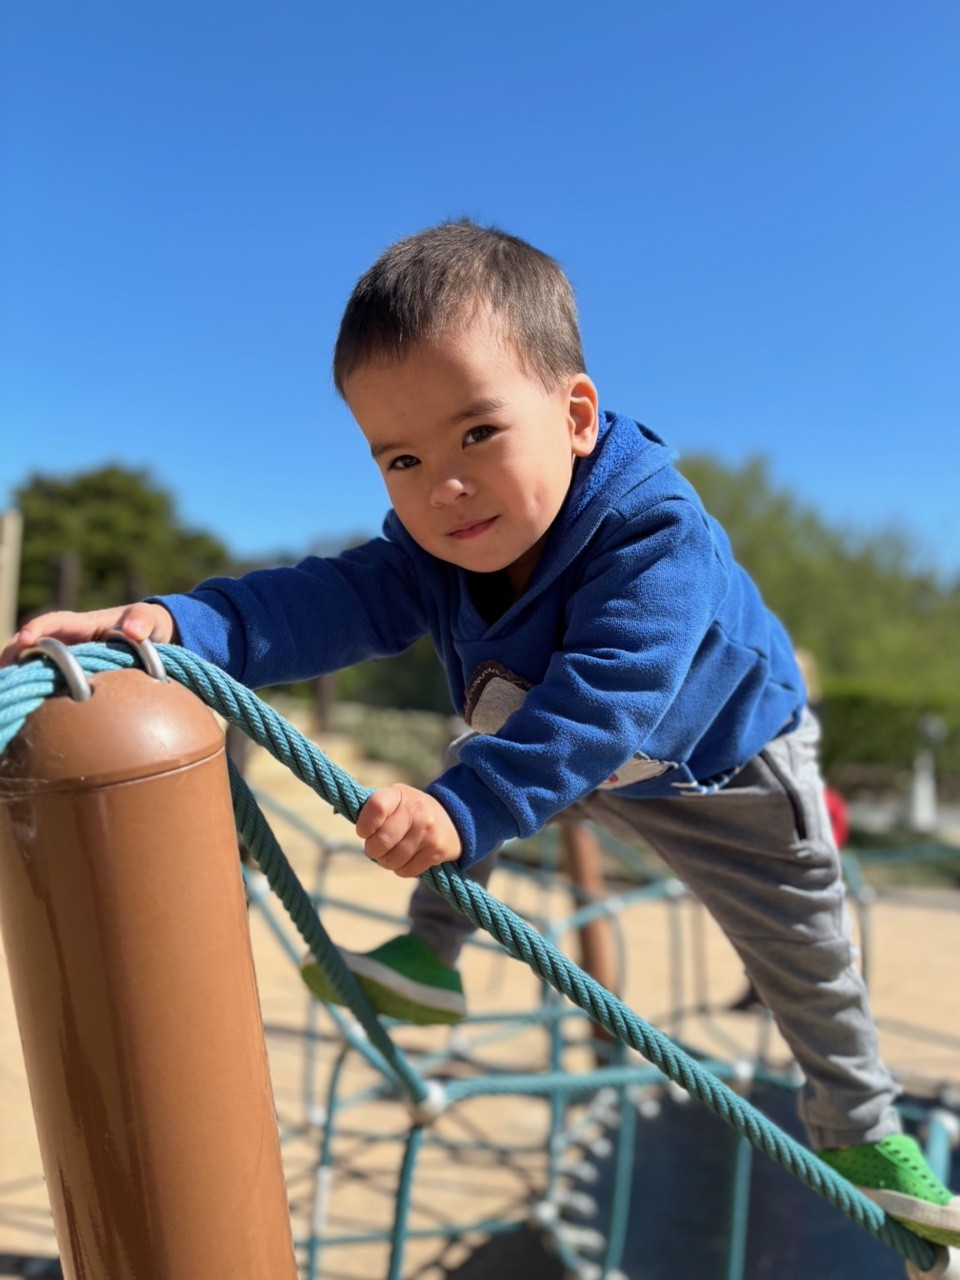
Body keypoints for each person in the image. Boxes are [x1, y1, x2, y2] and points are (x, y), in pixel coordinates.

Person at [2, 220, 957, 1246]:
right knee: (489, 739)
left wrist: (463, 809)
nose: (442, 487)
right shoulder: (433, 547)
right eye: (401, 457)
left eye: (478, 434)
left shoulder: (653, 532)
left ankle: (863, 1129)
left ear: (577, 414)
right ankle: (434, 954)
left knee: (800, 944)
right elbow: (323, 599)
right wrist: (180, 621)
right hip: (561, 750)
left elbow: (608, 695)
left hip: (726, 770)